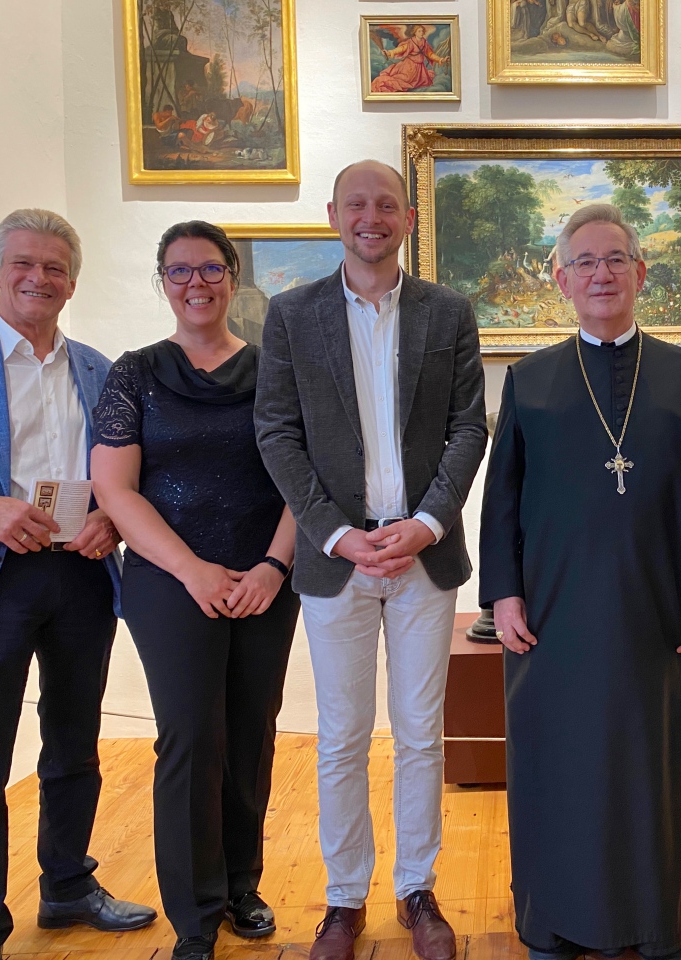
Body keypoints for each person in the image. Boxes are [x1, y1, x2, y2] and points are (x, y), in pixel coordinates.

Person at [479, 203, 681, 960]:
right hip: (554, 612)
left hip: (656, 609)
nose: (600, 273)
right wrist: (504, 594)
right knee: (559, 761)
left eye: (615, 258)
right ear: (560, 279)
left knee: (650, 767)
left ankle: (659, 920)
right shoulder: (530, 380)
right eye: (583, 261)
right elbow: (503, 500)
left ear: (641, 273)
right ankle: (555, 918)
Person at [254, 160, 487, 960]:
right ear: (333, 216)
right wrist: (334, 533)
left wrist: (425, 523)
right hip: (336, 561)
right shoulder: (290, 315)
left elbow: (467, 428)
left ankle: (417, 889)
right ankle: (344, 899)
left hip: (424, 554)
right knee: (344, 735)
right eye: (357, 204)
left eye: (386, 204)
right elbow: (277, 434)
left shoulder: (448, 312)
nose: (371, 216)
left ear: (409, 218)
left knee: (423, 735)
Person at [0, 210, 157, 960]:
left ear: (72, 283)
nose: (37, 278)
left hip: (81, 576)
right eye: (22, 263)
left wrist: (111, 525)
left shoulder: (99, 366)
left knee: (75, 746)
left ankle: (66, 887)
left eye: (54, 268)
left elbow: (124, 474)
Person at [89, 222, 300, 960]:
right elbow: (115, 490)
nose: (196, 284)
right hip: (168, 580)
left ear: (233, 278)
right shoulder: (135, 372)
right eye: (179, 272)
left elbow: (305, 483)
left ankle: (243, 885)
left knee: (251, 730)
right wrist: (192, 569)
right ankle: (196, 914)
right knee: (191, 735)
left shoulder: (279, 370)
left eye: (210, 270)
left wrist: (274, 567)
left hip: (266, 579)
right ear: (162, 283)